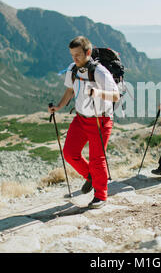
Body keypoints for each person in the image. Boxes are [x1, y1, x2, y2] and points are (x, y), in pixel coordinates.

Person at [48, 36, 120, 209]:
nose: (74, 59)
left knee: (97, 159)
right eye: (72, 55)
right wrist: (58, 106)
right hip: (80, 118)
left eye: (78, 55)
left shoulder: (100, 72)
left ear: (88, 52)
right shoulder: (73, 69)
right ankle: (91, 177)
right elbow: (70, 90)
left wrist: (98, 92)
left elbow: (116, 96)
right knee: (69, 153)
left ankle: (101, 196)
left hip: (100, 119)